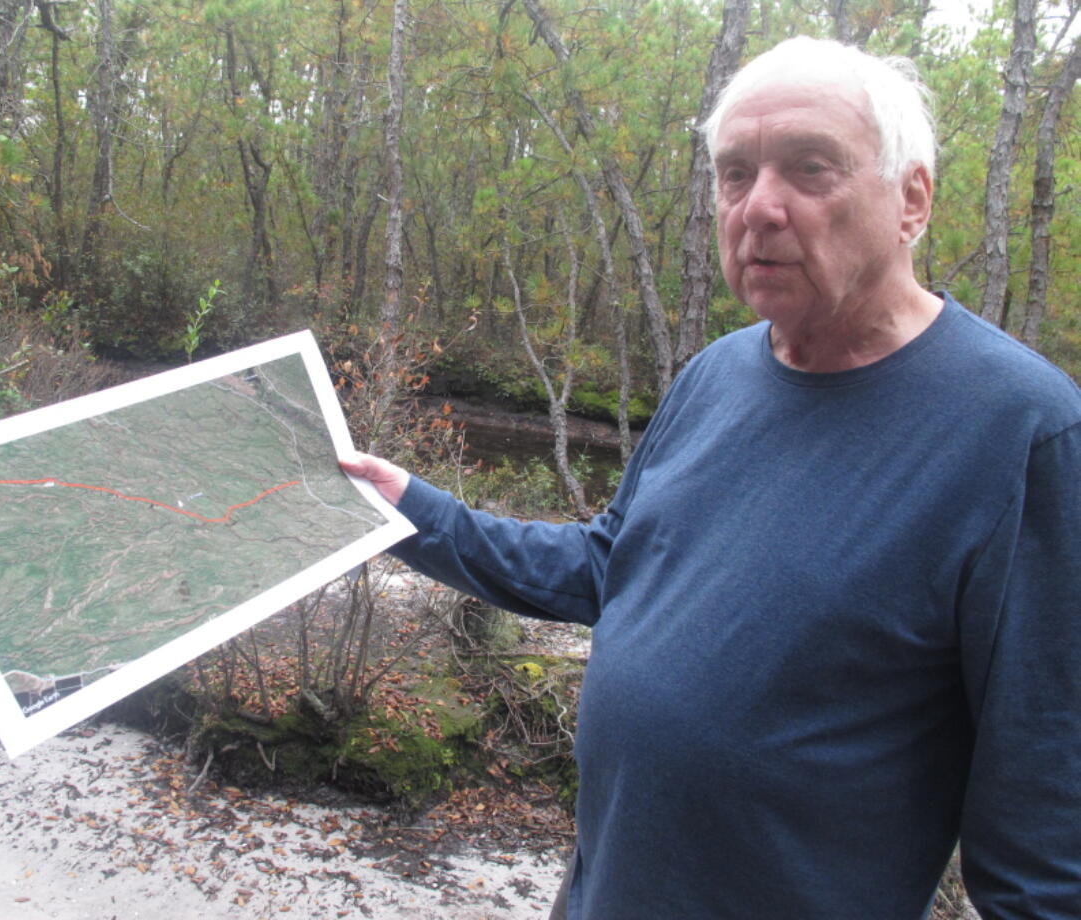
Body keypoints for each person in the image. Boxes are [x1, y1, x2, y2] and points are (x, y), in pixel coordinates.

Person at [342, 36, 1081, 919]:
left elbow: (1046, 842)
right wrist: (414, 511)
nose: (759, 207)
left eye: (810, 169)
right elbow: (610, 567)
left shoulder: (1022, 432)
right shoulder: (715, 374)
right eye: (735, 174)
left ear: (911, 198)